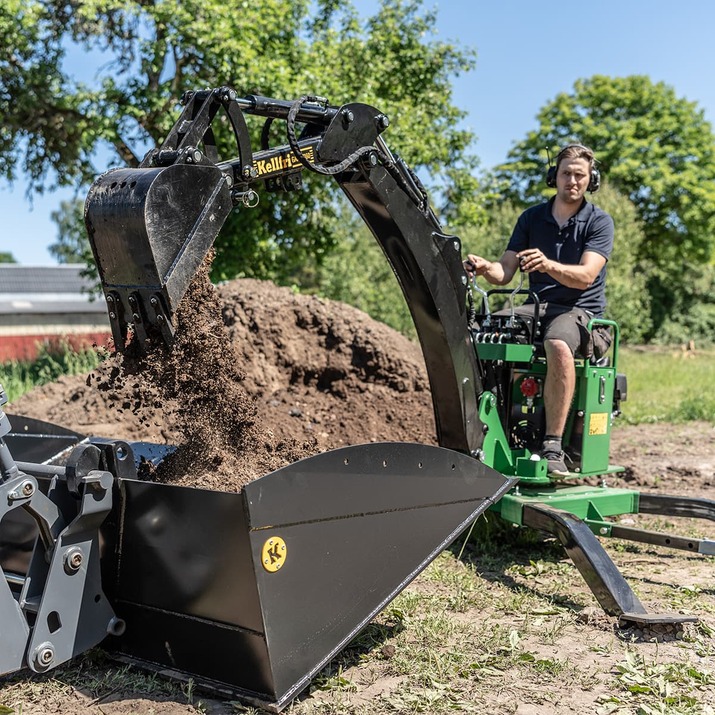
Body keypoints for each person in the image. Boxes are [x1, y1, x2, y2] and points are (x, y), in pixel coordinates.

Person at [464, 144, 614, 477]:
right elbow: (505, 272)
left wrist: (547, 265)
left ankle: (552, 445)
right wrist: (484, 265)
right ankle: (484, 431)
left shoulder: (599, 222)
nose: (572, 181)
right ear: (553, 176)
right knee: (475, 333)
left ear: (591, 180)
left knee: (558, 343)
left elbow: (586, 276)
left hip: (582, 312)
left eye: (580, 175)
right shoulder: (531, 218)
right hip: (537, 308)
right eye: (566, 173)